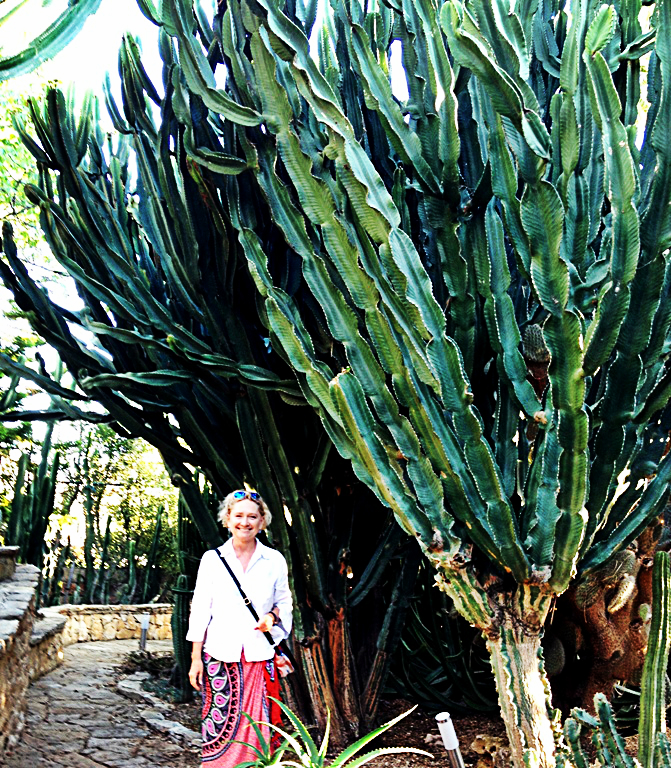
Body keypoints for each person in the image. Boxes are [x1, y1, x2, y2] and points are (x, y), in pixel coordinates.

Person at [187, 489, 293, 766]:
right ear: (227, 519)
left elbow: (285, 602)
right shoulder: (212, 559)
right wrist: (195, 658)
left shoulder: (275, 560)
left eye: (252, 517)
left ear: (262, 522)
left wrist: (272, 616)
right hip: (219, 655)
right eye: (239, 515)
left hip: (260, 657)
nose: (245, 522)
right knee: (217, 725)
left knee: (259, 725)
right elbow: (200, 609)